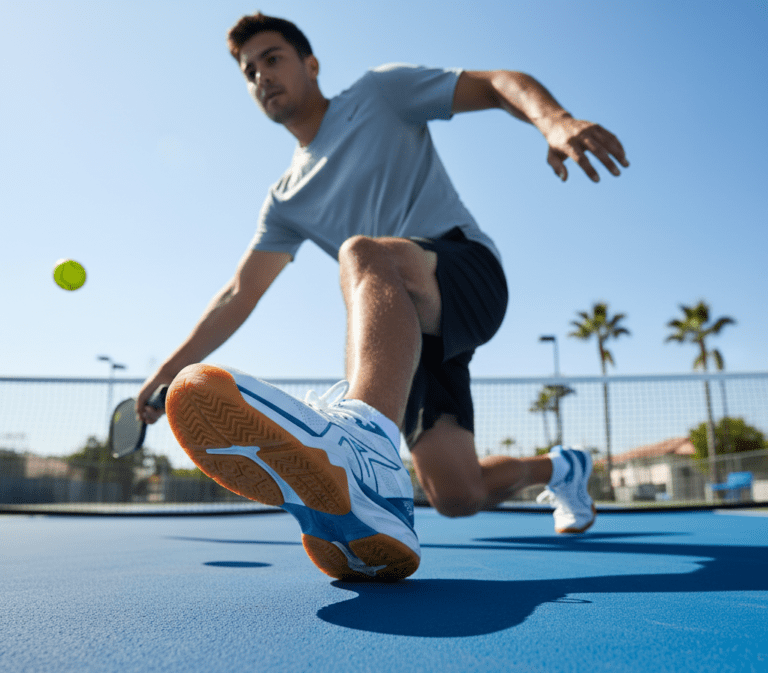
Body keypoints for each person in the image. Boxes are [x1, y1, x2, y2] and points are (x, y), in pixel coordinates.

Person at [137, 12, 628, 581]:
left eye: (272, 59)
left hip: (465, 274)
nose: (261, 77)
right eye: (249, 72)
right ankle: (561, 468)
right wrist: (165, 374)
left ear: (311, 64)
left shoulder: (379, 93)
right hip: (409, 337)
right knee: (456, 495)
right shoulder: (285, 198)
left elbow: (497, 82)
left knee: (361, 253)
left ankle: (364, 442)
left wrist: (555, 120)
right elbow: (238, 295)